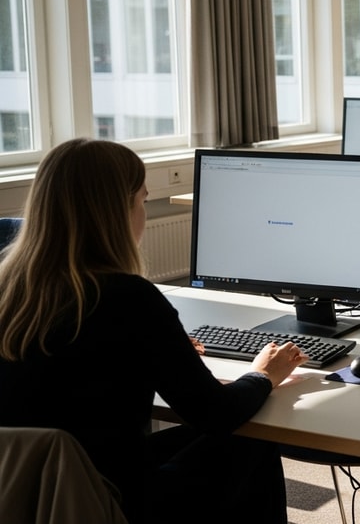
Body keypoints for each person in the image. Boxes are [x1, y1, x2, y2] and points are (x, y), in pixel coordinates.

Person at [0, 138, 309, 524]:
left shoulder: (9, 286)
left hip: (21, 496)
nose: (142, 213)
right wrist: (262, 374)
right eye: (142, 201)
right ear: (115, 211)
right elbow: (215, 414)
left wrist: (162, 357)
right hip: (107, 502)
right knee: (249, 439)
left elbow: (67, 372)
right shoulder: (128, 298)